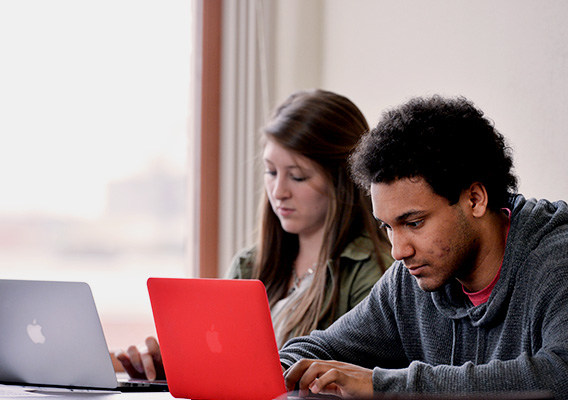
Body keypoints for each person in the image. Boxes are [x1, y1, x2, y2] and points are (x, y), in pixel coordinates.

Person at [280, 95, 568, 399]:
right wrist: (278, 370)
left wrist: (382, 385)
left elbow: (561, 374)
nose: (398, 251)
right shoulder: (408, 282)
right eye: (388, 227)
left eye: (414, 223)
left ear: (475, 199)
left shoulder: (556, 261)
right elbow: (319, 349)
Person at [115, 89, 392, 381]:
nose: (278, 191)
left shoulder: (374, 275)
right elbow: (219, 367)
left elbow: (356, 381)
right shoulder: (249, 265)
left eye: (297, 176)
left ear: (343, 180)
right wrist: (172, 368)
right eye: (271, 172)